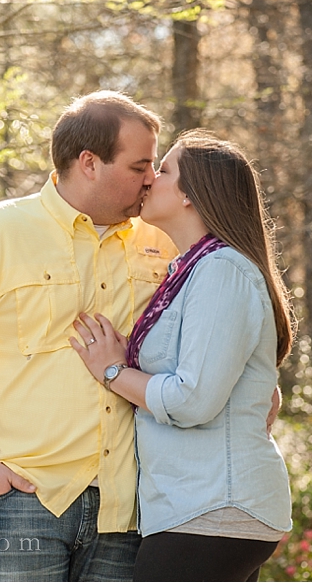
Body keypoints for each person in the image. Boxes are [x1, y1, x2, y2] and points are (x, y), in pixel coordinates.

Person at [0, 90, 179, 581]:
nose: (152, 179)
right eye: (139, 167)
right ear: (89, 162)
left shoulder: (164, 242)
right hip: (17, 500)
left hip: (129, 507)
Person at [69, 130, 294, 581]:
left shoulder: (220, 270)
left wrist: (112, 371)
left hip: (214, 509)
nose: (150, 179)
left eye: (164, 170)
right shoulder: (191, 270)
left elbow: (193, 399)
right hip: (194, 507)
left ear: (193, 195)